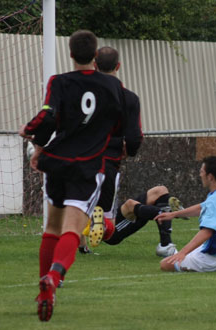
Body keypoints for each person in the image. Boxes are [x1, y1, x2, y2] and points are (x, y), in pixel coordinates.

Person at [19, 30, 126, 322]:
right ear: (95, 55)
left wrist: (33, 139)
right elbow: (118, 126)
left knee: (52, 227)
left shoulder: (58, 81)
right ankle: (54, 277)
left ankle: (43, 289)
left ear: (69, 54)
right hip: (87, 166)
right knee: (73, 227)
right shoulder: (113, 87)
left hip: (57, 163)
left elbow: (48, 116)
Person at [86, 46, 143, 248]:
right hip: (110, 161)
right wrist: (131, 150)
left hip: (81, 159)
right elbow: (135, 136)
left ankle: (80, 242)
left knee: (76, 207)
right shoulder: (129, 98)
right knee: (108, 221)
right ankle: (99, 223)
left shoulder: (84, 95)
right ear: (118, 66)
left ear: (94, 65)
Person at [83, 185, 183, 257]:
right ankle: (170, 212)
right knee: (130, 204)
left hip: (116, 213)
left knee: (160, 190)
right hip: (113, 231)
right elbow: (74, 221)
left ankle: (165, 244)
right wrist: (83, 248)